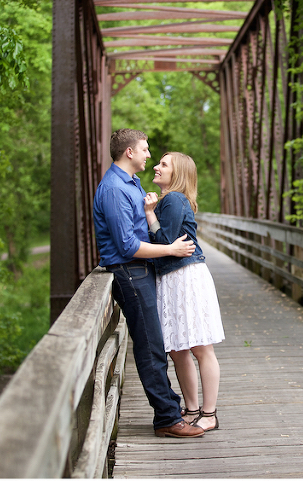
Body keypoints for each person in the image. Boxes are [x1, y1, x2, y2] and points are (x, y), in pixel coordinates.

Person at [93, 129, 205, 438]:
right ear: (129, 152)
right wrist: (170, 249)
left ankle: (172, 409)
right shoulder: (114, 189)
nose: (148, 155)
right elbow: (127, 246)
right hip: (130, 271)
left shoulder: (131, 184)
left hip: (141, 271)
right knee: (150, 346)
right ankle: (167, 418)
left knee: (154, 344)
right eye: (145, 149)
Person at [144, 152, 224, 432]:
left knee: (201, 347)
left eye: (163, 164)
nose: (156, 166)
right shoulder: (169, 200)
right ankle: (191, 408)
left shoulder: (175, 200)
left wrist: (150, 214)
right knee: (178, 349)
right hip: (171, 278)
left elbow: (167, 241)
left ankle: (210, 413)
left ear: (176, 174)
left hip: (187, 277)